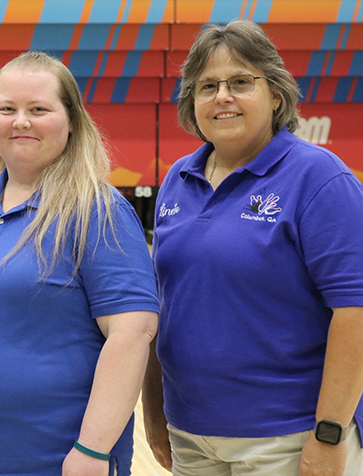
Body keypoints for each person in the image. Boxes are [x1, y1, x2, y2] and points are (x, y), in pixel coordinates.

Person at [0, 51, 159, 476]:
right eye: (7, 108)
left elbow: (131, 333)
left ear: (71, 120)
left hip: (60, 460)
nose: (20, 121)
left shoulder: (97, 210)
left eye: (39, 110)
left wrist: (93, 451)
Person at [144, 20, 363, 476]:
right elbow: (161, 304)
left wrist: (329, 433)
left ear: (276, 95)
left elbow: (356, 311)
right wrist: (154, 411)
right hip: (190, 434)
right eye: (207, 86)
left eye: (241, 82)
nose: (222, 96)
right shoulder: (177, 179)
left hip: (286, 437)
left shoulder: (320, 179)